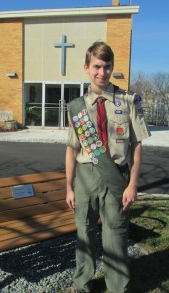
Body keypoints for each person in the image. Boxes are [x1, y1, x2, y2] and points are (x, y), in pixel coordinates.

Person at [64, 41, 151, 293]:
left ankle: (117, 287)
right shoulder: (77, 108)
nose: (102, 72)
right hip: (85, 178)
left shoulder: (128, 101)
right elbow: (71, 150)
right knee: (85, 233)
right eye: (97, 66)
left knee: (116, 236)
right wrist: (68, 187)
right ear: (87, 68)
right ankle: (82, 283)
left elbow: (136, 146)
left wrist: (133, 184)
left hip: (116, 177)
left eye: (107, 66)